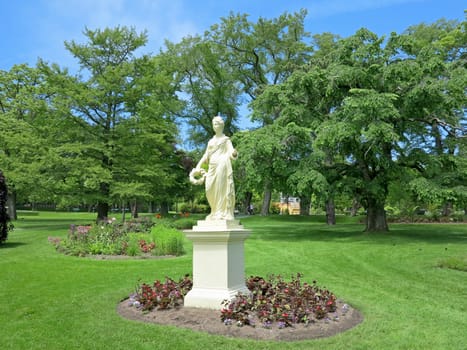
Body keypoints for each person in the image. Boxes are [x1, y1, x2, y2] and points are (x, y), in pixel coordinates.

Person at [190, 116, 237, 220]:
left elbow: (231, 152)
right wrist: (198, 166)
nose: (215, 126)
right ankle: (214, 210)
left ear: (222, 125)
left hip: (222, 164)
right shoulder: (211, 141)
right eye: (214, 124)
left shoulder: (226, 140)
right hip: (212, 166)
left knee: (220, 188)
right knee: (209, 188)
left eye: (217, 124)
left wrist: (233, 153)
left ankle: (220, 212)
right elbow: (205, 155)